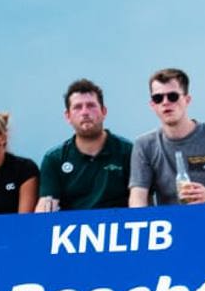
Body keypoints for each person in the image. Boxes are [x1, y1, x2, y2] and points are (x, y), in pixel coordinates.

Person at [130, 68, 205, 207]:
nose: (165, 102)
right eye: (158, 98)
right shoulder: (144, 145)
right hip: (171, 226)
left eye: (172, 96)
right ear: (152, 105)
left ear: (187, 100)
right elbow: (138, 197)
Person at [36, 79, 133, 213]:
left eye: (91, 105)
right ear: (67, 116)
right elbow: (46, 206)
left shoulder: (128, 151)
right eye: (77, 107)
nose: (85, 112)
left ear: (104, 111)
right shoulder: (54, 159)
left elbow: (142, 201)